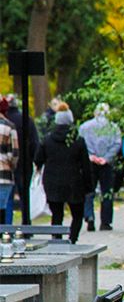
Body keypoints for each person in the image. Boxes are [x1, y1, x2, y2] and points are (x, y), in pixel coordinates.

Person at [34, 102, 92, 244]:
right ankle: (72, 239)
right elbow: (86, 166)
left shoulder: (47, 140)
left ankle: (56, 239)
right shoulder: (78, 140)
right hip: (73, 182)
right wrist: (89, 187)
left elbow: (37, 160)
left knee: (57, 213)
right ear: (70, 119)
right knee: (77, 213)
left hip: (52, 181)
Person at [79, 103, 122, 231]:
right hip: (106, 163)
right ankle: (105, 222)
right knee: (107, 192)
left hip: (90, 162)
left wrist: (90, 155)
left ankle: (89, 216)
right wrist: (106, 157)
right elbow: (117, 144)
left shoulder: (84, 127)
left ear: (95, 113)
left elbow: (80, 143)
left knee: (89, 191)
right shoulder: (113, 128)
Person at [4, 95, 39, 224]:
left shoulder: (5, 121)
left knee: (8, 198)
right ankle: (26, 224)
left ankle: (8, 227)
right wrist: (35, 160)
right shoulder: (27, 120)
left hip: (7, 165)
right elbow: (35, 143)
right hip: (25, 164)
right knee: (25, 196)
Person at [0, 97, 18, 222]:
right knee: (2, 208)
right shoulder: (9, 126)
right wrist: (11, 165)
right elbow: (14, 154)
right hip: (4, 174)